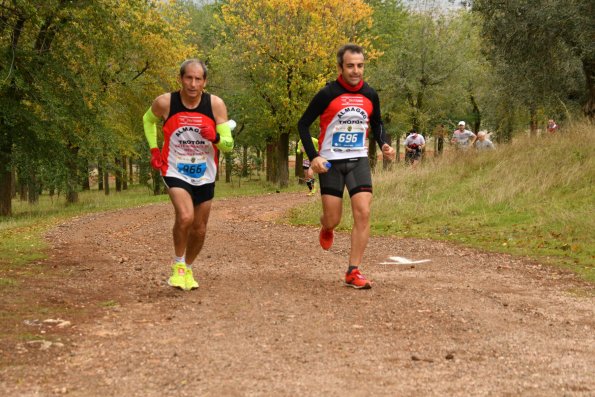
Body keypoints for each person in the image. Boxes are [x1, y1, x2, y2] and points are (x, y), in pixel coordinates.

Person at [297, 43, 395, 289]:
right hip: (330, 162)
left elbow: (378, 123)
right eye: (350, 66)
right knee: (333, 218)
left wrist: (384, 143)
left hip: (358, 160)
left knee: (363, 211)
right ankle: (326, 226)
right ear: (340, 67)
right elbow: (302, 124)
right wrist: (314, 156)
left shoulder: (370, 94)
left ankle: (353, 271)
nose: (356, 71)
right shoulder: (327, 94)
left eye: (360, 66)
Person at [142, 59, 234, 291]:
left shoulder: (215, 105)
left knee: (200, 227)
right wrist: (154, 149)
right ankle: (178, 266)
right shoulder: (165, 102)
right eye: (188, 78)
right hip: (175, 168)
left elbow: (229, 145)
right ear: (180, 79)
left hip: (205, 172)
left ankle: (189, 268)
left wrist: (215, 137)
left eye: (198, 79)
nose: (193, 84)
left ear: (205, 82)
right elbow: (147, 120)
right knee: (185, 217)